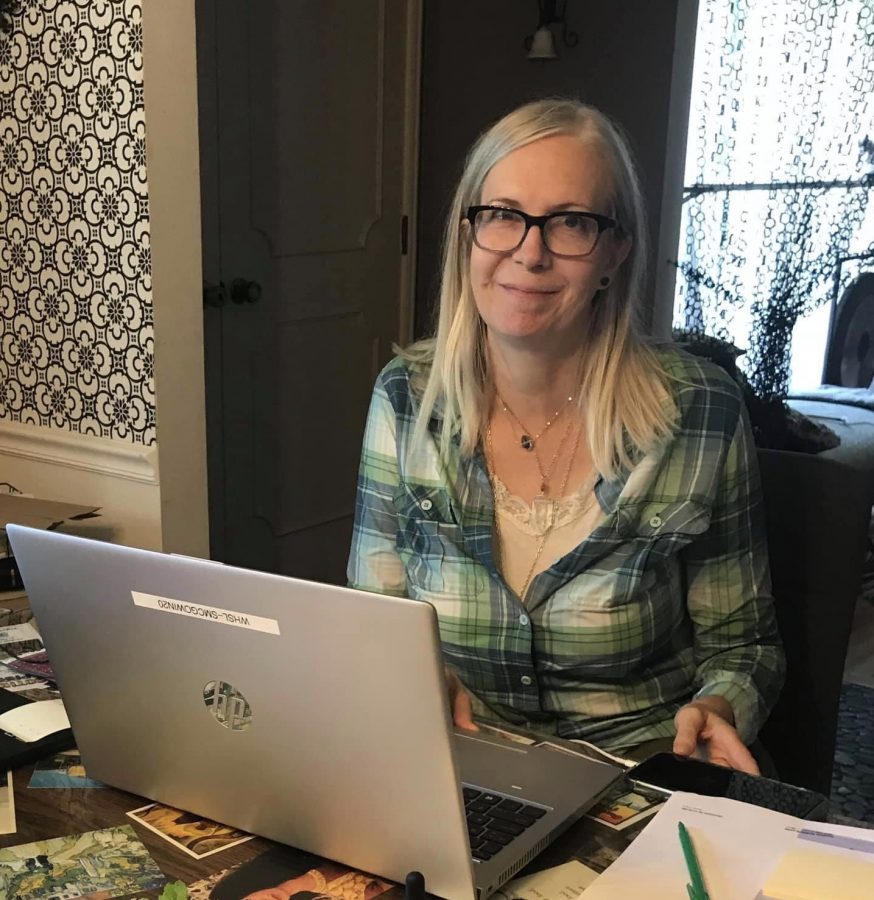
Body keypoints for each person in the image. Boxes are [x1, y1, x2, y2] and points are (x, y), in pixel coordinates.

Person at [348, 98, 785, 774]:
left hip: (641, 770)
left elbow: (743, 644)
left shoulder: (702, 410)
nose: (530, 251)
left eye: (571, 223)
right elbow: (370, 623)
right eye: (502, 216)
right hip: (457, 762)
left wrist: (720, 707)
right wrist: (402, 681)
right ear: (469, 235)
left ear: (614, 252)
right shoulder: (406, 396)